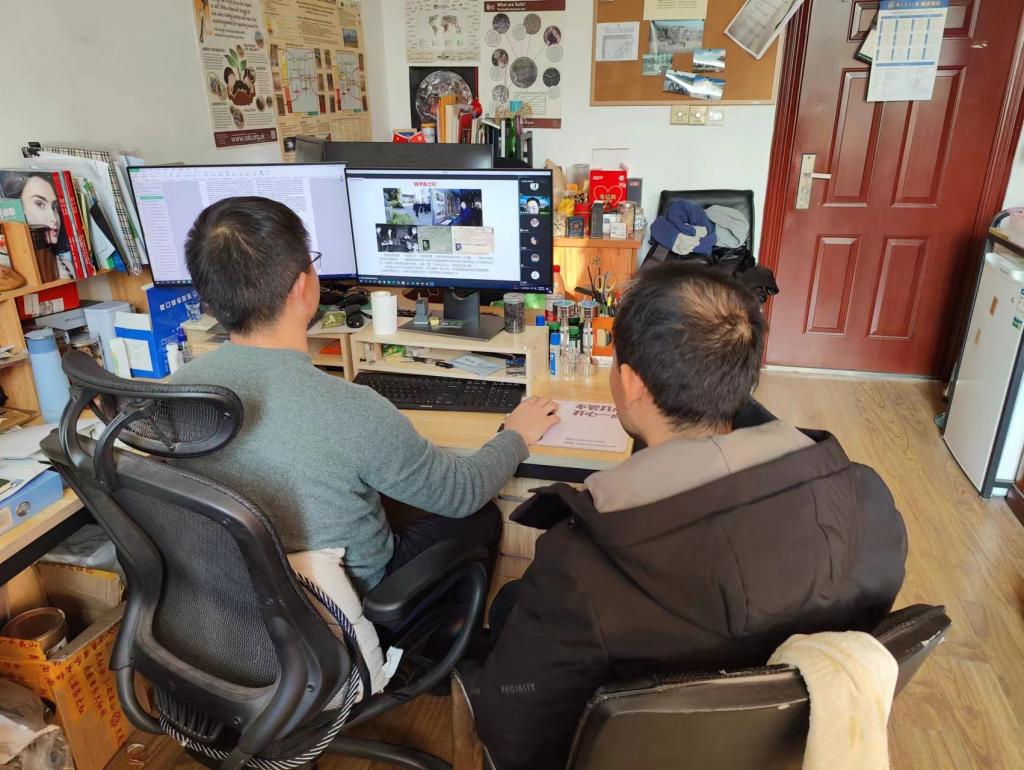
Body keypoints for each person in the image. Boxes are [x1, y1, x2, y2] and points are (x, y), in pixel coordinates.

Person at [465, 263, 908, 770]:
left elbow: (511, 732)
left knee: (509, 606)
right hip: (776, 752)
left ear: (630, 384)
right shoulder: (870, 502)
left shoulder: (580, 568)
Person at [170, 197, 560, 599]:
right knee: (479, 516)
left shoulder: (175, 390)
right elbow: (461, 492)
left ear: (208, 296)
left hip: (230, 597)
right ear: (303, 286)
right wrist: (516, 435)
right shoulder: (352, 409)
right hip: (346, 598)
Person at [0, 171, 74, 279]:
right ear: (19, 209)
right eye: (39, 204)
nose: (54, 219)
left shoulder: (68, 266)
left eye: (54, 206)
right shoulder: (9, 266)